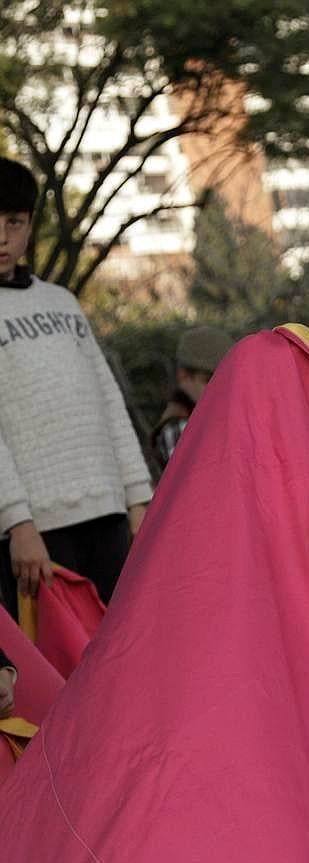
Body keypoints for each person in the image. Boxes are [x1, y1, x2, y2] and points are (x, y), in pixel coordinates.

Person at [0, 157, 153, 615]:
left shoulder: (61, 301)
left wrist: (138, 499)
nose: (2, 236)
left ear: (30, 226)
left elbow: (107, 400)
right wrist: (17, 521)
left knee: (123, 659)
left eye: (14, 222)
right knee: (60, 673)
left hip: (107, 514)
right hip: (36, 533)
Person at [151, 325, 235, 467]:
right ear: (184, 377)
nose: (222, 390)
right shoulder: (178, 429)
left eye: (229, 381)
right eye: (209, 380)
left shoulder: (226, 417)